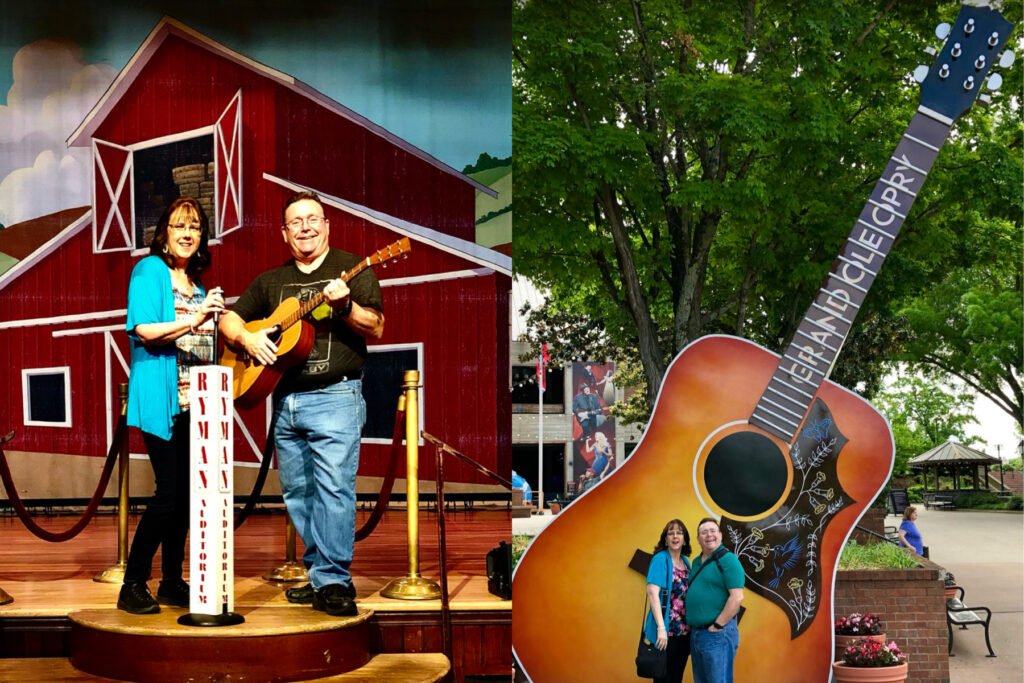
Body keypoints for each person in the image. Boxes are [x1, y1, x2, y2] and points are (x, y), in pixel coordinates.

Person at [219, 190, 384, 617]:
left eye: (313, 219)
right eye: (296, 222)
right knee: (298, 494)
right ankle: (318, 575)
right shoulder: (270, 281)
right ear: (284, 233)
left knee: (333, 490)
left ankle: (334, 581)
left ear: (327, 225)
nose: (306, 227)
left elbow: (377, 325)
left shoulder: (352, 268)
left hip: (336, 396)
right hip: (286, 400)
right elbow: (228, 318)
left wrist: (344, 305)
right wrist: (247, 337)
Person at [119, 197, 225, 614]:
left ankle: (171, 580)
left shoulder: (196, 286)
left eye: (195, 226)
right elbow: (144, 330)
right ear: (164, 232)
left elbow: (201, 343)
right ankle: (132, 582)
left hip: (194, 402)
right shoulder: (150, 271)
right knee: (169, 493)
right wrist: (195, 320)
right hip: (162, 398)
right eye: (180, 225)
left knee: (186, 496)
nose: (187, 233)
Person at [685, 517, 745, 683]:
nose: (709, 535)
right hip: (697, 633)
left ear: (720, 535)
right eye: (704, 532)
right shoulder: (696, 562)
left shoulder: (729, 560)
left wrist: (717, 625)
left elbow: (737, 597)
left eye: (713, 531)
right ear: (698, 539)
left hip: (717, 633)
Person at [644, 519, 693, 683]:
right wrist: (661, 628)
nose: (675, 536)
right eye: (670, 533)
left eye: (679, 532)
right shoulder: (660, 559)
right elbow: (652, 593)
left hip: (684, 634)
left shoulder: (686, 563)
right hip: (666, 634)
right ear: (665, 539)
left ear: (685, 539)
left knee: (676, 678)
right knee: (663, 679)